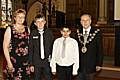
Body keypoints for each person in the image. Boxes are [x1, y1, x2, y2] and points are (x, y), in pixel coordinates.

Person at [3, 9, 30, 79]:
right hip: (13, 61)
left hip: (25, 62)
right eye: (19, 17)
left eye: (23, 17)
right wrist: (9, 62)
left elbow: (30, 45)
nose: (21, 19)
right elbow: (5, 47)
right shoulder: (10, 29)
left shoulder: (27, 29)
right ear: (15, 18)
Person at [76, 14, 103, 80]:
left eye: (87, 20)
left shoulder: (97, 32)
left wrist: (99, 64)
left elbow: (100, 49)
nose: (85, 22)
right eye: (83, 20)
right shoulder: (77, 32)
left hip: (92, 64)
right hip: (79, 65)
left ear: (90, 21)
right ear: (80, 22)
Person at [29, 13, 54, 80]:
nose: (40, 24)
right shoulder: (32, 33)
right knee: (37, 78)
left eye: (42, 21)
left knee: (48, 77)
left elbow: (53, 47)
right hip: (36, 62)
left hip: (47, 61)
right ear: (35, 23)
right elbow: (31, 49)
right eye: (38, 22)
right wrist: (31, 64)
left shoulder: (49, 33)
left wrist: (52, 59)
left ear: (45, 22)